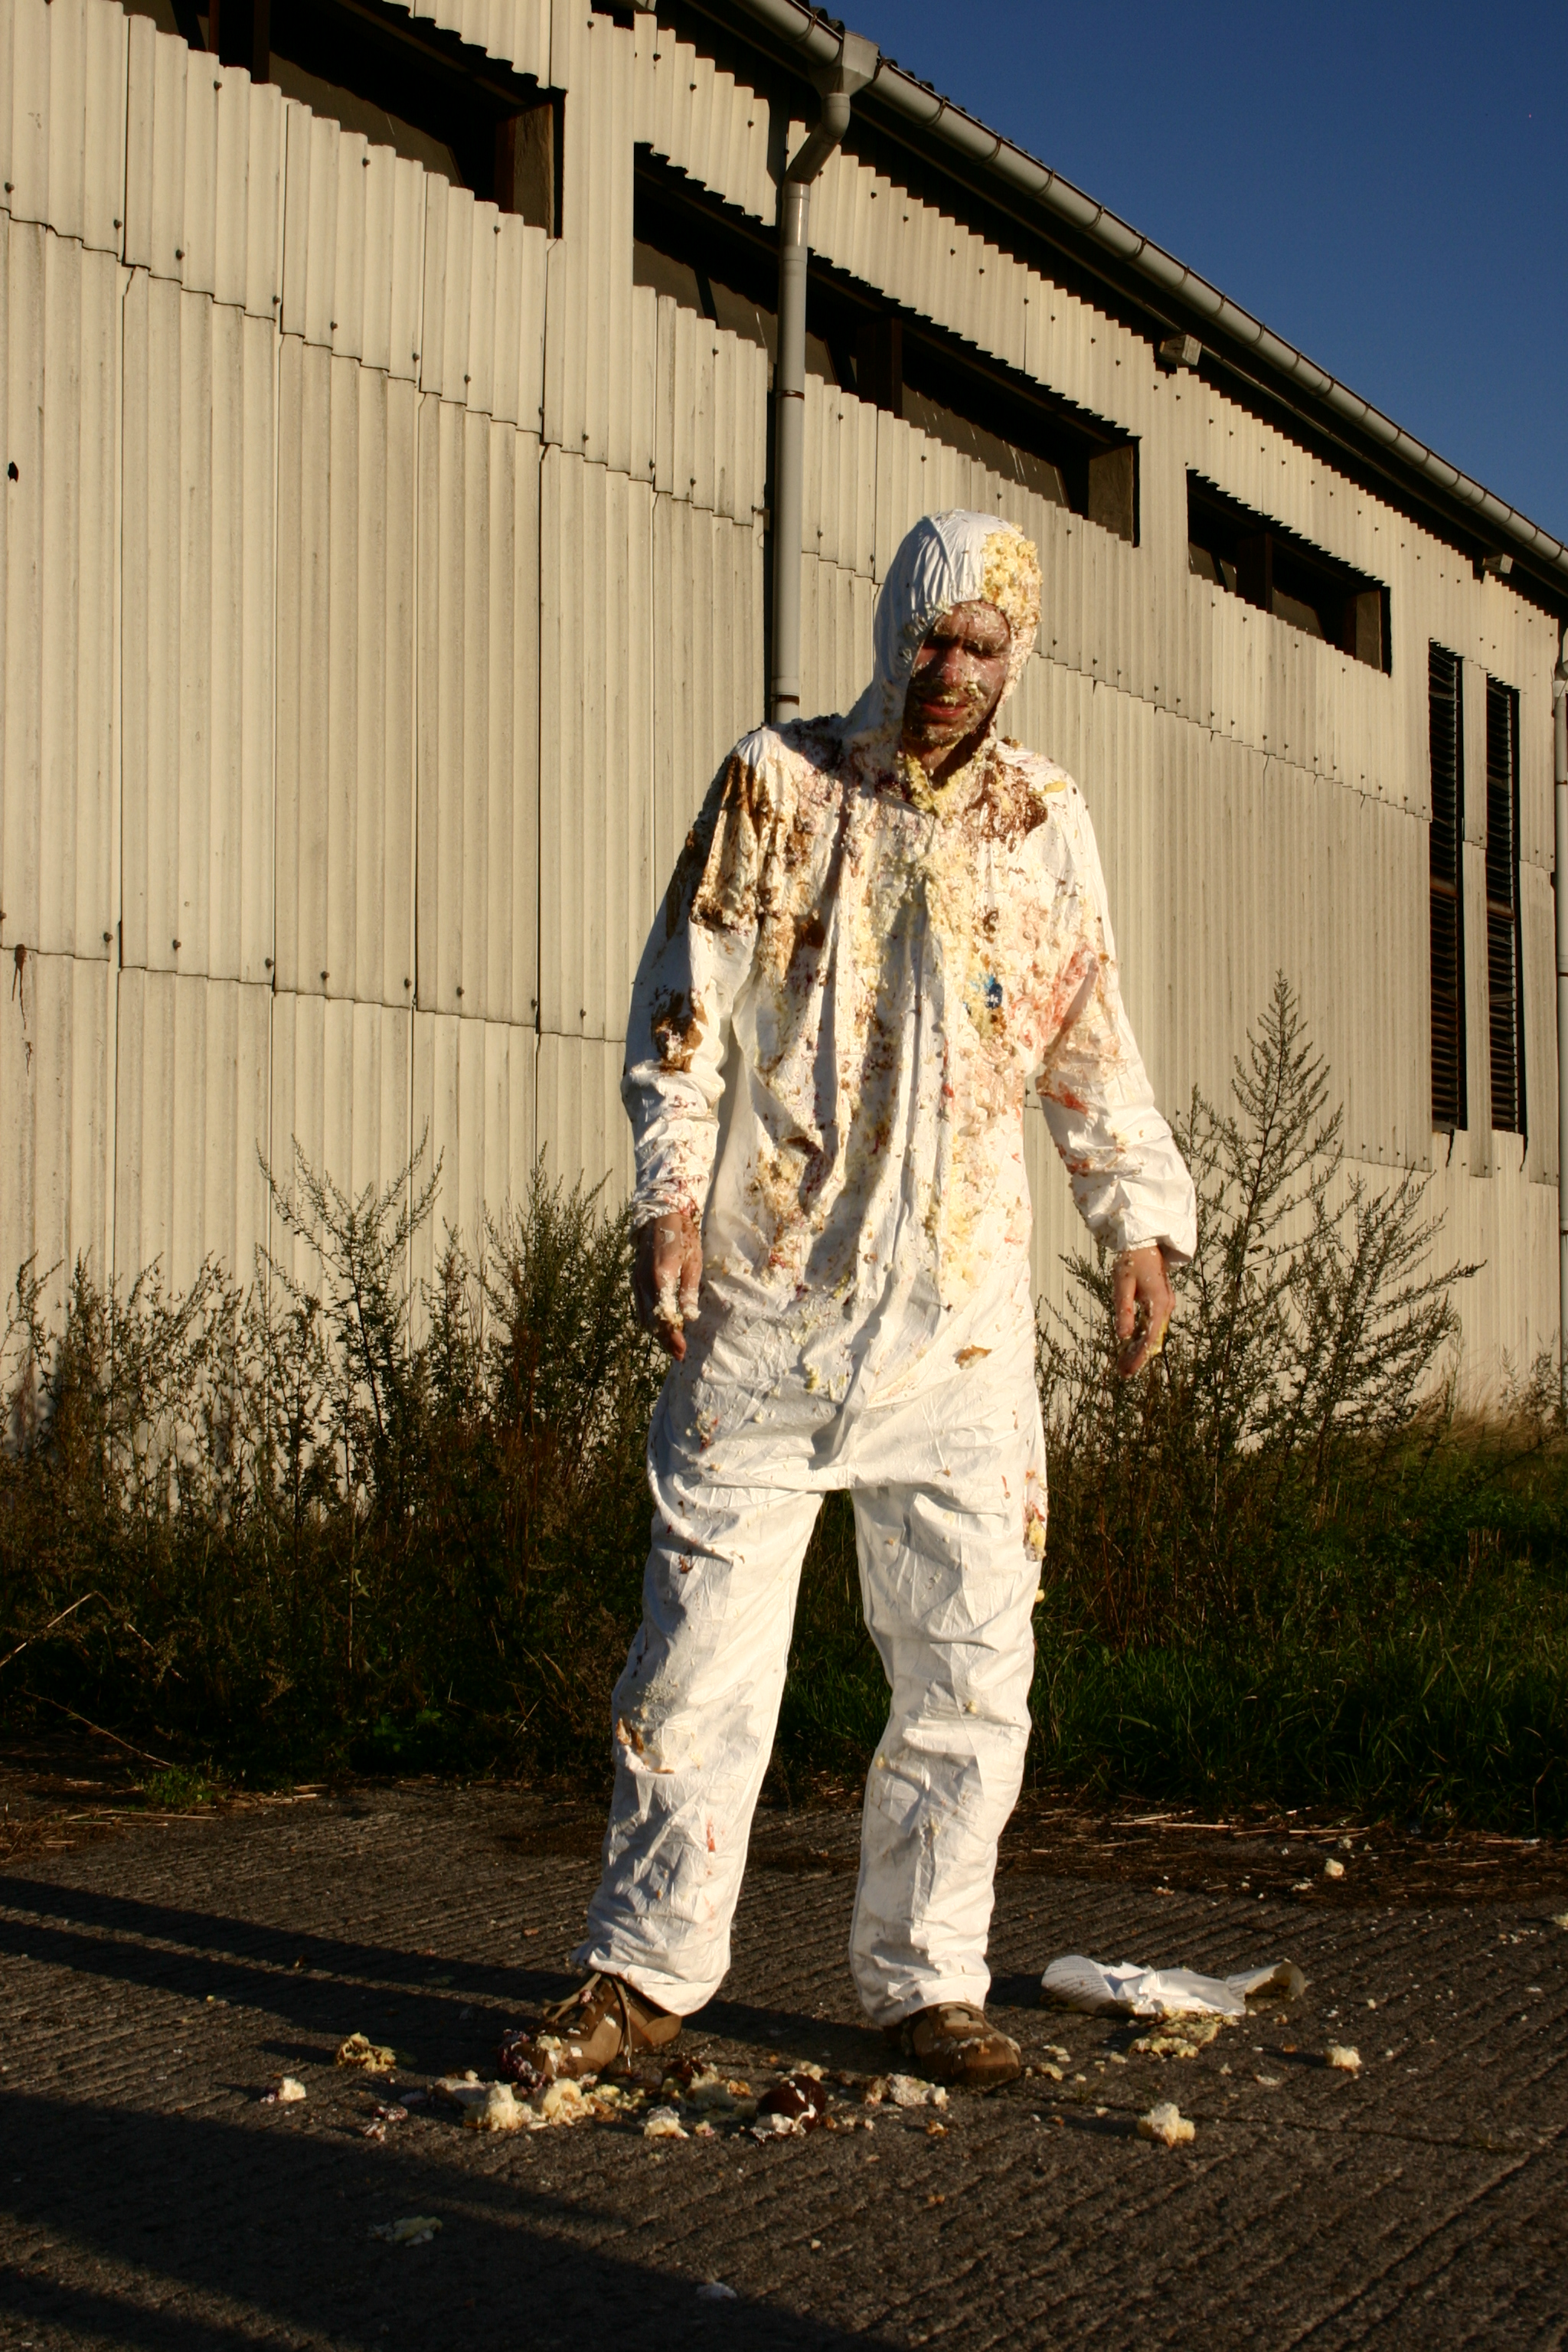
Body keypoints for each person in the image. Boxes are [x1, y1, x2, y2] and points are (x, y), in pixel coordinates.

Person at [529, 509, 1196, 2089]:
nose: (953, 671)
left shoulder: (1043, 821)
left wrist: (1138, 1225)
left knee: (969, 1669)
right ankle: (642, 1978)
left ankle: (927, 1982)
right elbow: (684, 1012)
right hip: (766, 1313)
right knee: (694, 1664)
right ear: (889, 630)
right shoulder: (778, 783)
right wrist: (670, 1198)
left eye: (983, 646)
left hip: (960, 1331)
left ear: (1018, 655)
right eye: (930, 639)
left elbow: (1085, 1032)